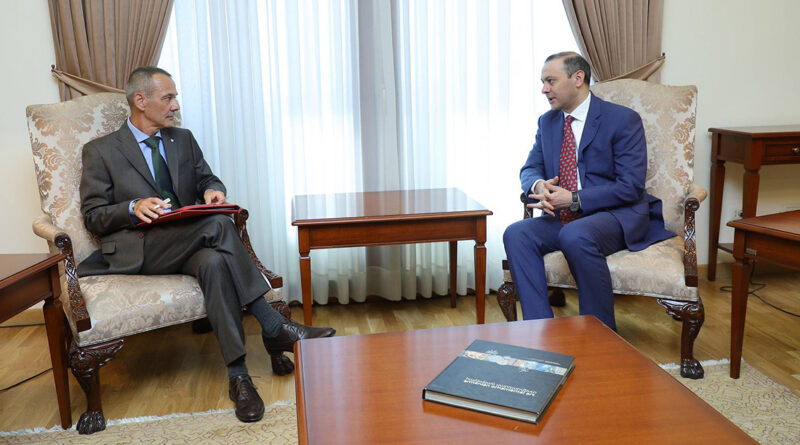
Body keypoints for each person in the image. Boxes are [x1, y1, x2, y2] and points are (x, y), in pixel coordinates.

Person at [78, 66, 335, 423]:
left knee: (214, 263)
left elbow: (206, 178)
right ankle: (272, 325)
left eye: (174, 97)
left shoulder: (182, 139)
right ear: (141, 100)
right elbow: (93, 215)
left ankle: (238, 377)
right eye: (168, 98)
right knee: (218, 225)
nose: (175, 105)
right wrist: (132, 207)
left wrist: (214, 189)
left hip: (188, 241)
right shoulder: (101, 150)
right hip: (139, 248)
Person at [503, 52, 674, 331]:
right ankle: (539, 330)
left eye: (550, 81)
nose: (544, 89)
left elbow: (630, 186)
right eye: (543, 82)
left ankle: (600, 333)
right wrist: (539, 185)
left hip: (615, 215)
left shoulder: (622, 120)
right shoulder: (548, 122)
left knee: (575, 234)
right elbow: (530, 168)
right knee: (517, 233)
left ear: (578, 78)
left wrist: (574, 198)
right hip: (566, 217)